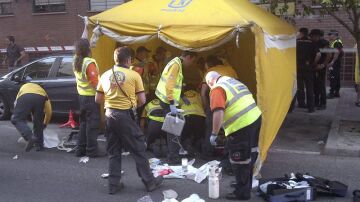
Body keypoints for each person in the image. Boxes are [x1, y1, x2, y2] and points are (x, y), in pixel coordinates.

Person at [95, 47, 163, 194]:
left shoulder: (105, 75)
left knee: (114, 151)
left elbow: (98, 99)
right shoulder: (134, 75)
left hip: (109, 115)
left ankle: (113, 185)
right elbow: (142, 99)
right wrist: (131, 106)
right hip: (125, 116)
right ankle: (150, 182)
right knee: (138, 148)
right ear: (128, 60)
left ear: (115, 59)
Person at [205, 71, 262, 201]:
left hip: (241, 126)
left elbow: (218, 111)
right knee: (250, 154)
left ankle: (241, 193)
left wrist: (214, 133)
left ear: (210, 82)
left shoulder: (217, 89)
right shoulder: (232, 82)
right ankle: (244, 185)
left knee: (239, 160)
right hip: (255, 119)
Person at [155, 50, 198, 164]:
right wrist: (172, 103)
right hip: (168, 102)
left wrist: (182, 96)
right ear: (188, 57)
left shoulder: (175, 62)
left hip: (167, 100)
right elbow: (169, 85)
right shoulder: (176, 65)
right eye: (192, 61)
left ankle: (172, 155)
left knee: (173, 129)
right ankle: (173, 158)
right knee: (173, 129)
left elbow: (175, 84)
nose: (192, 64)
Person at [200, 55, 238, 159]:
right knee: (230, 131)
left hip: (217, 102)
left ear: (208, 65)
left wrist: (206, 107)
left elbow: (203, 93)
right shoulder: (231, 69)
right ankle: (227, 156)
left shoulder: (210, 72)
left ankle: (207, 154)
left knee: (210, 128)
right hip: (232, 104)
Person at [73, 38, 103, 158]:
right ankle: (92, 150)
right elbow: (95, 82)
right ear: (88, 49)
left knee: (84, 123)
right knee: (92, 125)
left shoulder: (76, 60)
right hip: (91, 98)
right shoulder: (89, 63)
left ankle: (80, 149)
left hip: (81, 97)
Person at [11, 83, 52, 152]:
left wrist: (19, 117)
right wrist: (44, 124)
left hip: (25, 96)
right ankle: (39, 145)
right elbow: (49, 112)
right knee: (38, 123)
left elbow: (16, 103)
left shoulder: (24, 86)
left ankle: (30, 137)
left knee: (16, 119)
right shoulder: (44, 93)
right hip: (40, 98)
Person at [296, 28, 320, 113]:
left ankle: (301, 103)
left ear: (301, 33)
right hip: (308, 67)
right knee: (309, 88)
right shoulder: (312, 42)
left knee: (299, 87)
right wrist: (313, 64)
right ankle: (311, 108)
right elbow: (318, 55)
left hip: (298, 68)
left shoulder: (297, 42)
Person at [179, 89, 206, 155]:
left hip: (186, 116)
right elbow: (203, 103)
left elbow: (179, 105)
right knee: (199, 135)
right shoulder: (198, 94)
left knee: (185, 135)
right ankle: (199, 150)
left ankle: (186, 149)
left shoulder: (182, 95)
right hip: (200, 116)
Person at [313, 30, 331, 110]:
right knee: (315, 85)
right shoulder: (313, 42)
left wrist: (323, 65)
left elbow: (329, 55)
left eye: (313, 36)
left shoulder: (324, 43)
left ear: (318, 36)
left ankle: (323, 103)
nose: (312, 37)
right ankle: (316, 102)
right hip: (314, 66)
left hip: (321, 66)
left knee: (321, 85)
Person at [327, 30, 344, 98]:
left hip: (335, 63)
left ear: (334, 35)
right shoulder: (335, 42)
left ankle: (332, 93)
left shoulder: (337, 42)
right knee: (336, 77)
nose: (329, 36)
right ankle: (336, 92)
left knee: (333, 77)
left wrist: (332, 62)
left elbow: (337, 53)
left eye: (330, 35)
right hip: (336, 63)